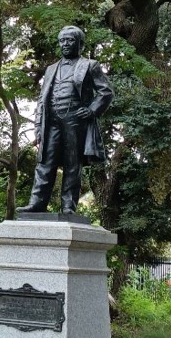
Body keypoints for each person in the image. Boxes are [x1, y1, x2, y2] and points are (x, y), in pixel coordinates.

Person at [17, 25, 113, 215]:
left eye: (70, 40)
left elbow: (106, 91)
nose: (65, 44)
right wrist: (38, 127)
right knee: (45, 161)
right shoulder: (51, 69)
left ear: (80, 43)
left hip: (75, 120)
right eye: (62, 40)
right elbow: (42, 100)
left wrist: (92, 110)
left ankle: (68, 206)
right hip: (51, 121)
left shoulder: (89, 65)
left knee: (72, 163)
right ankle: (37, 203)